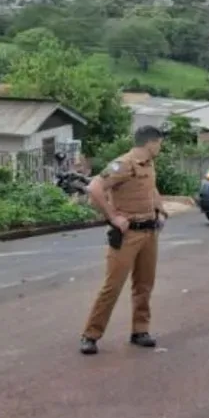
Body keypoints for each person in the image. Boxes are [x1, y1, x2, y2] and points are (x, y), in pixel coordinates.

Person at [79, 125, 169, 355]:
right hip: (128, 234)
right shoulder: (123, 164)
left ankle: (140, 330)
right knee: (113, 286)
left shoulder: (148, 164)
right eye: (159, 143)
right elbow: (95, 188)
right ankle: (91, 335)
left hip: (149, 232)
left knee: (144, 284)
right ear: (150, 143)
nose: (160, 147)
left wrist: (160, 209)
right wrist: (113, 217)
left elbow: (151, 189)